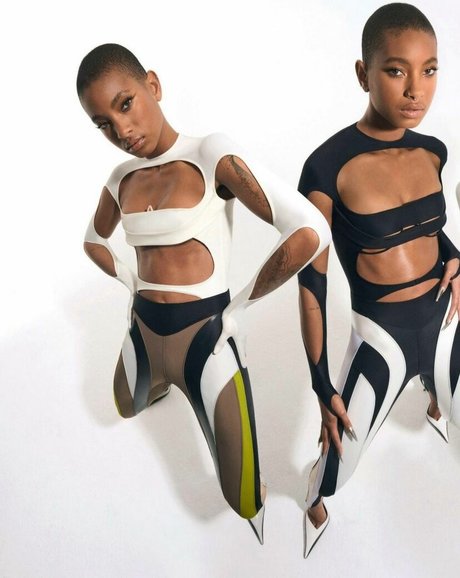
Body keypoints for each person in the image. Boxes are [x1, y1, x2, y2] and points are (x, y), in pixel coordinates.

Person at [76, 43, 331, 544]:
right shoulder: (119, 178)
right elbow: (92, 241)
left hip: (206, 339)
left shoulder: (209, 153)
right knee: (124, 404)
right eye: (103, 123)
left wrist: (238, 307)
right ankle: (161, 383)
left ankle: (251, 490)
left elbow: (310, 229)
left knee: (243, 501)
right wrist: (131, 282)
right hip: (143, 328)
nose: (121, 131)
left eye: (125, 104)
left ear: (152, 85)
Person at [297, 3, 460, 557]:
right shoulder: (325, 167)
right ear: (363, 74)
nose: (416, 90)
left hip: (444, 316)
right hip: (381, 335)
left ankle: (435, 400)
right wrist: (321, 383)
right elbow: (312, 288)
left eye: (429, 70)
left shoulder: (433, 151)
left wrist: (456, 256)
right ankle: (312, 504)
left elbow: (428, 228)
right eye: (396, 70)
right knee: (336, 470)